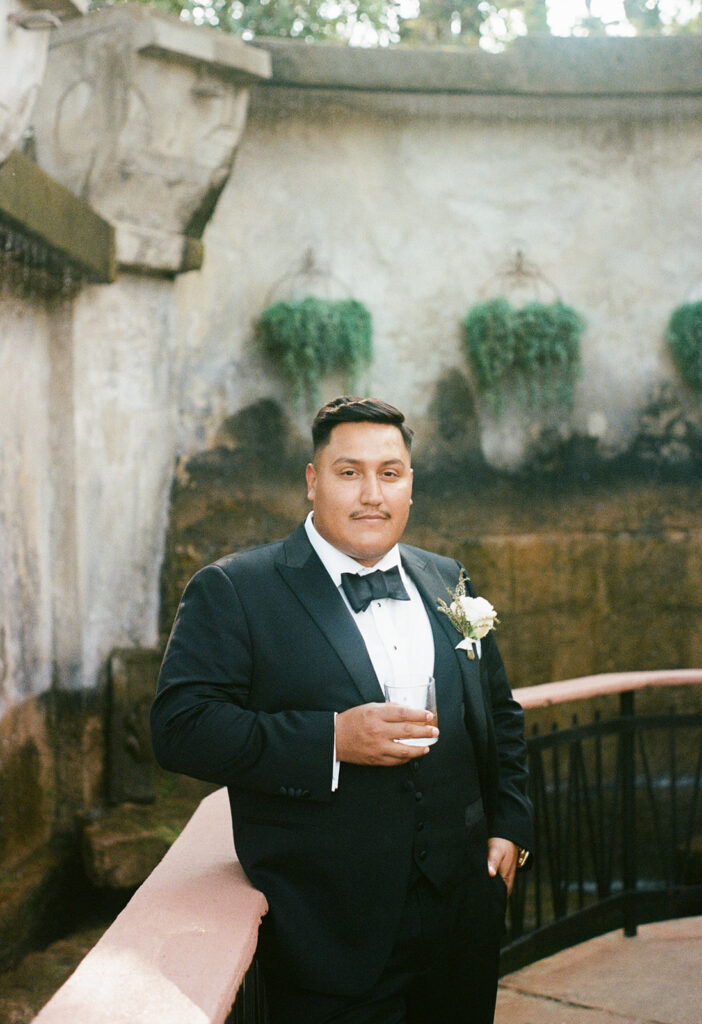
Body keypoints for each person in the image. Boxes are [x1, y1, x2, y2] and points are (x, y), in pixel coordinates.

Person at [151, 395, 533, 1024]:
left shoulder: (446, 578)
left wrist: (511, 829)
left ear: (411, 484)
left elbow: (500, 712)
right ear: (312, 481)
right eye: (349, 472)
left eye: (390, 473)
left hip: (462, 922)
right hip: (327, 936)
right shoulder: (234, 590)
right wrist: (330, 739)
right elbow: (179, 730)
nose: (372, 495)